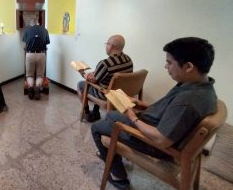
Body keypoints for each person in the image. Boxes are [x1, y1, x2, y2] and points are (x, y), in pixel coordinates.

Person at [91, 37, 217, 190]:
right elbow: (172, 110)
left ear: (189, 66)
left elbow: (161, 140)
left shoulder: (188, 100)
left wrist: (132, 117)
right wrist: (142, 104)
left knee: (97, 127)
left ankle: (119, 177)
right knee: (111, 116)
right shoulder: (201, 87)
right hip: (156, 124)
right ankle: (113, 153)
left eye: (170, 62)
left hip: (151, 141)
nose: (166, 66)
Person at [77, 34, 133, 122]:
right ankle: (96, 112)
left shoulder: (105, 63)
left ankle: (87, 114)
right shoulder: (129, 60)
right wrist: (95, 73)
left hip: (107, 95)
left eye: (107, 44)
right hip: (121, 93)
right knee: (102, 81)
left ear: (112, 46)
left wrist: (82, 73)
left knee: (81, 84)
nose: (106, 46)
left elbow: (92, 80)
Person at [22, 19, 50, 100]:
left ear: (31, 24)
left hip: (30, 54)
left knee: (29, 75)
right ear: (38, 23)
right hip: (41, 54)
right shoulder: (45, 30)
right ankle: (37, 89)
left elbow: (25, 43)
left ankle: (30, 88)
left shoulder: (27, 30)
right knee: (40, 75)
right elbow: (46, 43)